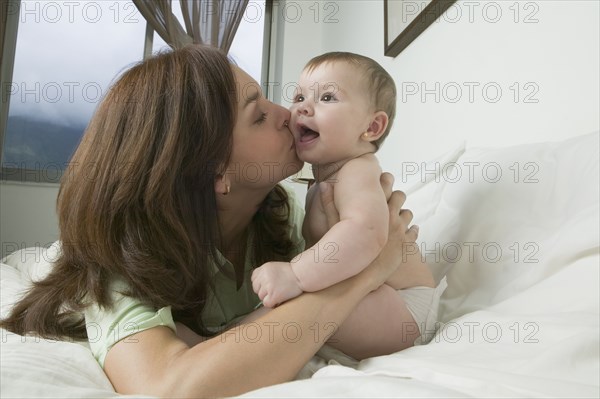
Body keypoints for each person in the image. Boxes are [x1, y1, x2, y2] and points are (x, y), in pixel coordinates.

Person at [0, 45, 427, 397]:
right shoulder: (117, 260)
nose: (288, 113)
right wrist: (367, 272)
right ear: (213, 172)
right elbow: (167, 387)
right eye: (258, 115)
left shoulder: (280, 212)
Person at [251, 52, 442, 358]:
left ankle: (232, 337)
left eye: (327, 97)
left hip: (404, 306)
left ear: (372, 127)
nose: (302, 106)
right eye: (299, 95)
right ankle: (231, 336)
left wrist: (296, 274)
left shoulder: (358, 169)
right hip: (375, 294)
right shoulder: (322, 180)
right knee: (294, 311)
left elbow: (365, 232)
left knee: (296, 310)